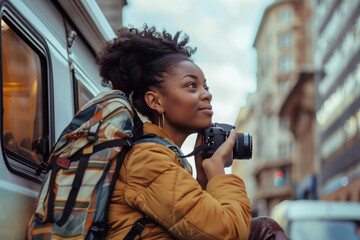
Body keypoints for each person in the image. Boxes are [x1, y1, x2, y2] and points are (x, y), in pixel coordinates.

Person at [97, 24, 252, 240]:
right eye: (191, 85)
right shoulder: (148, 160)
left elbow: (190, 224)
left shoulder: (168, 158)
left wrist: (203, 178)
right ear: (156, 101)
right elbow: (227, 234)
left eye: (206, 87)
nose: (207, 95)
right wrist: (217, 170)